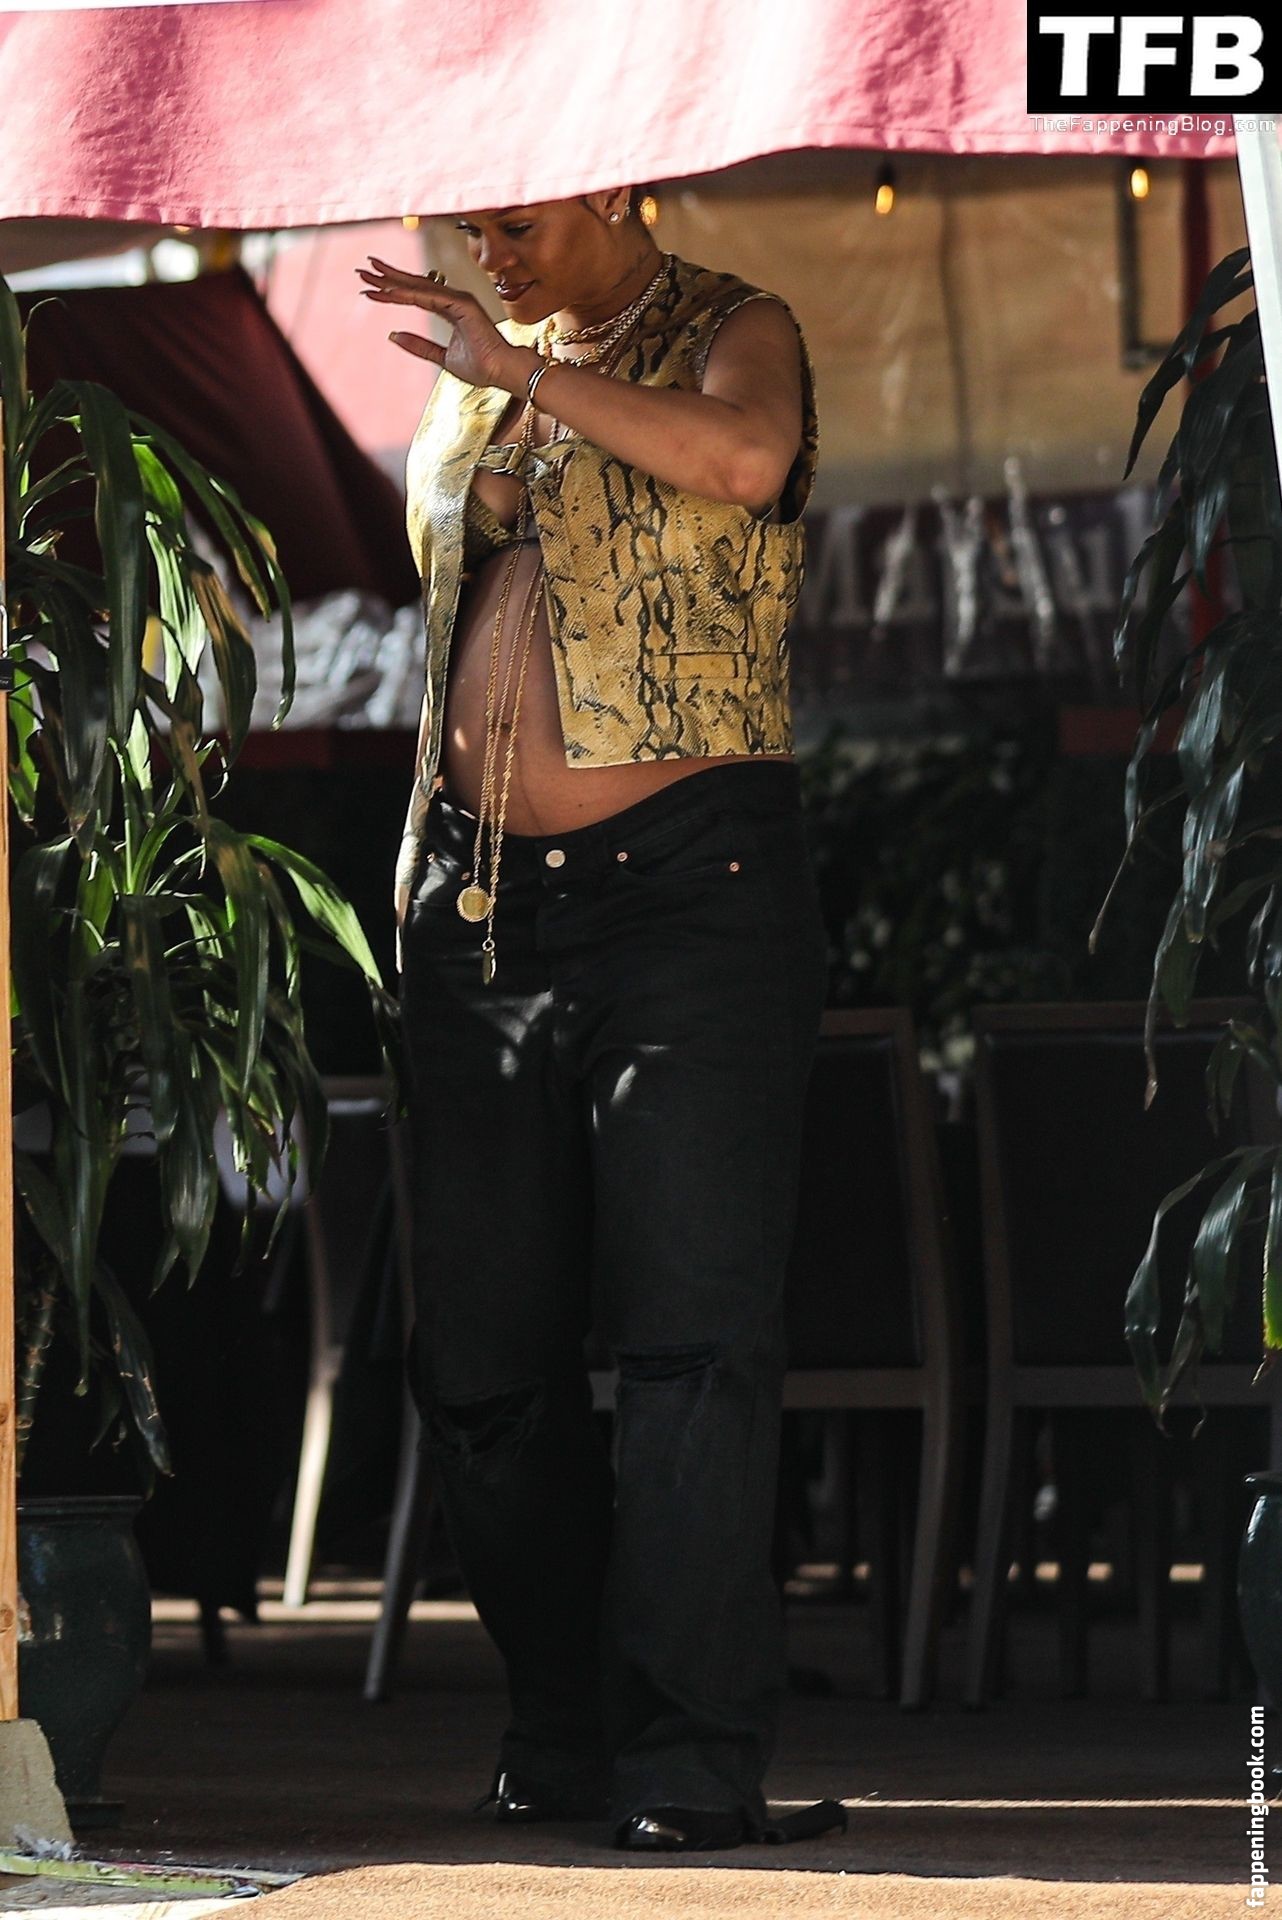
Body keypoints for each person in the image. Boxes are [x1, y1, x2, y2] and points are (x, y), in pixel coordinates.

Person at [356, 188, 843, 1854]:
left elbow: (745, 462)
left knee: (691, 1341)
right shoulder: (483, 362)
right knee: (480, 1355)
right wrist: (494, 407)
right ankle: (561, 1728)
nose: (490, 252)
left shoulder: (730, 324)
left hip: (689, 892)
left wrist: (524, 379)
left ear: (618, 182)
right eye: (472, 225)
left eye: (519, 219)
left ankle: (689, 1760)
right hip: (476, 898)